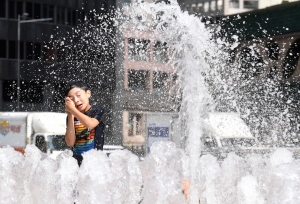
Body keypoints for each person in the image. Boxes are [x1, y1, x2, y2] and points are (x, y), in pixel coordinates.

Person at [64, 80, 105, 166]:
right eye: (71, 99)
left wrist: (73, 110)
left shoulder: (97, 110)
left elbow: (90, 124)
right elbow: (70, 142)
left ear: (88, 93)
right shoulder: (71, 116)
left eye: (78, 95)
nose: (76, 100)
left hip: (95, 163)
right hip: (76, 163)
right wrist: (70, 114)